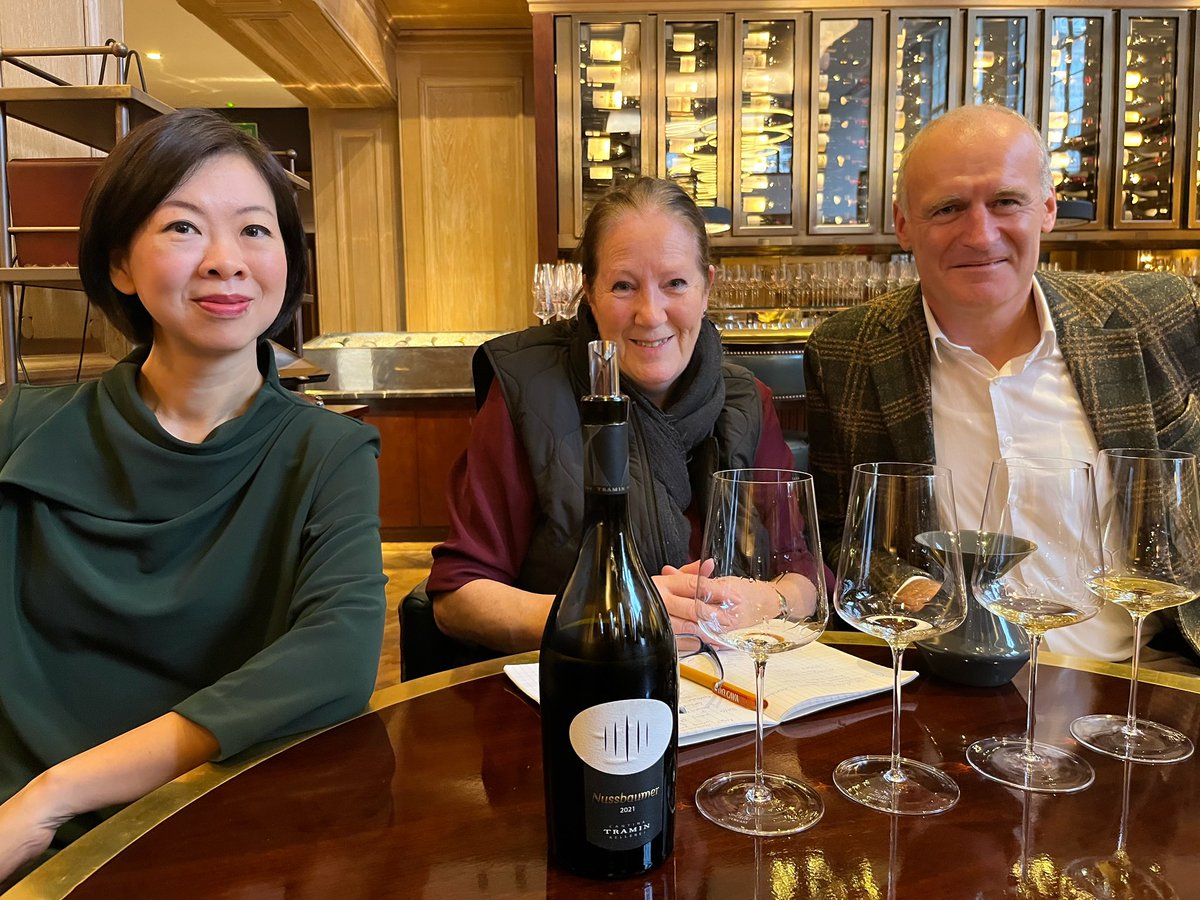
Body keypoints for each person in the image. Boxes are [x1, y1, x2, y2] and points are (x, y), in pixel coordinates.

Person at [0, 109, 386, 881]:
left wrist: (53, 797)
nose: (224, 260)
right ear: (119, 264)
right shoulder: (18, 428)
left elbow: (336, 657)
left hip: (204, 833)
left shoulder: (327, 452)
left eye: (254, 230)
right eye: (182, 228)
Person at [805, 104, 1200, 665]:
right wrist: (930, 603)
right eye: (947, 208)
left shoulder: (1159, 317)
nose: (979, 233)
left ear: (1047, 208)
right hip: (954, 685)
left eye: (1006, 202)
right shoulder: (848, 352)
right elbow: (844, 537)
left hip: (1149, 677)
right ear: (904, 226)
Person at [422, 177, 797, 663]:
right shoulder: (526, 391)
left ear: (707, 288)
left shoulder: (750, 399)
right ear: (590, 295)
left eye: (675, 283)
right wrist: (608, 618)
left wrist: (768, 601)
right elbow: (459, 598)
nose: (650, 312)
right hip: (579, 693)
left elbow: (805, 575)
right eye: (623, 285)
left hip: (737, 693)